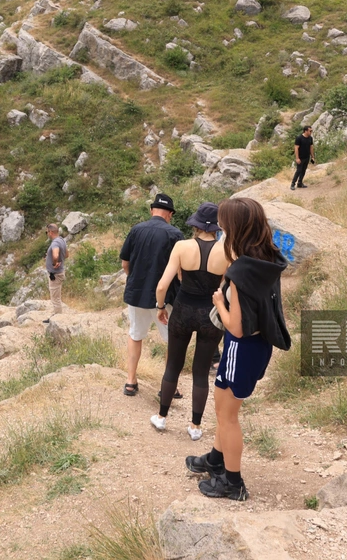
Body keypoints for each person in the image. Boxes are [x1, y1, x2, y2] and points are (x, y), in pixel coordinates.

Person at [186, 198, 291, 501]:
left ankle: (233, 483)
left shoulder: (242, 272)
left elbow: (236, 327)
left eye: (223, 225)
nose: (220, 230)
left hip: (241, 348)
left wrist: (219, 302)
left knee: (227, 416)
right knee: (224, 410)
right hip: (257, 347)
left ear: (235, 228)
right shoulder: (265, 259)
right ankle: (215, 460)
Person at [151, 202, 228, 441]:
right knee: (201, 371)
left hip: (183, 310)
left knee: (173, 365)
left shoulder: (182, 246)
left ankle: (162, 417)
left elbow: (162, 286)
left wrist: (161, 307)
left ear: (196, 224)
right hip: (210, 314)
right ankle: (195, 426)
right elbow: (227, 286)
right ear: (216, 227)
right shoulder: (227, 251)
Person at [119, 193, 184, 396]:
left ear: (151, 210)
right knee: (172, 340)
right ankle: (168, 386)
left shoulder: (136, 230)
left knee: (135, 334)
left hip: (137, 294)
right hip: (165, 297)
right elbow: (180, 272)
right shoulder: (175, 234)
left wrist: (135, 280)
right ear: (170, 214)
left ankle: (130, 381)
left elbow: (125, 263)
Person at [43, 223, 68, 323]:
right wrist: (50, 257)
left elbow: (55, 255)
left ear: (51, 232)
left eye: (47, 232)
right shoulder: (62, 240)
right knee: (56, 297)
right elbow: (66, 254)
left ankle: (58, 320)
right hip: (59, 273)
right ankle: (57, 316)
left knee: (55, 299)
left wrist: (54, 263)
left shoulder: (55, 243)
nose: (47, 234)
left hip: (55, 275)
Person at [291, 126, 314, 190]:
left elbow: (311, 148)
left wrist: (312, 157)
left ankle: (300, 183)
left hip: (307, 157)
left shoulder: (310, 138)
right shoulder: (299, 138)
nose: (311, 132)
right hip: (300, 158)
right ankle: (293, 184)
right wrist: (297, 158)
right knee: (298, 171)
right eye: (310, 131)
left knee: (303, 170)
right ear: (306, 131)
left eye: (311, 131)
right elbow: (296, 148)